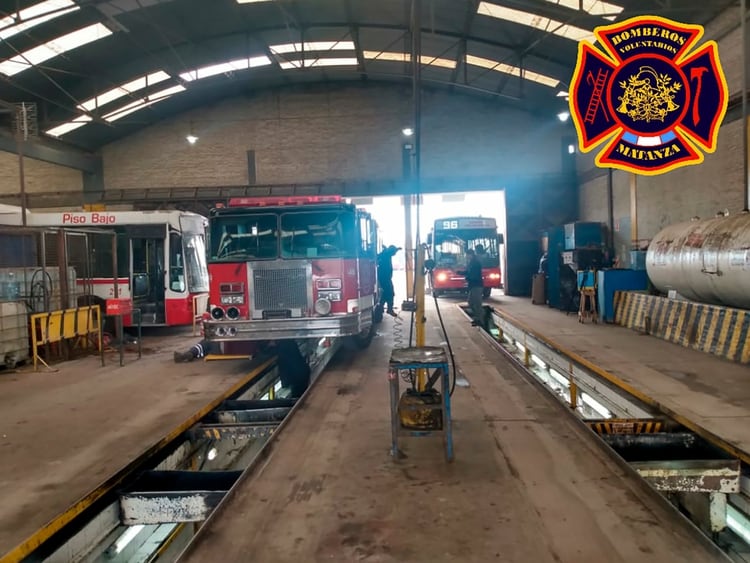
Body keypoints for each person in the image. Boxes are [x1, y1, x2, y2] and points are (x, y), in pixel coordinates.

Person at [377, 245, 401, 317]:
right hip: (384, 278)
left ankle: (381, 308)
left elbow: (390, 250)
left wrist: (397, 249)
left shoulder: (385, 254)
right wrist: (396, 249)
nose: (394, 254)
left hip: (385, 278)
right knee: (390, 293)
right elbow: (389, 251)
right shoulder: (385, 255)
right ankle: (389, 309)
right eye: (394, 252)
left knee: (385, 293)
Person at [464, 248, 484, 326]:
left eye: (467, 255)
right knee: (470, 302)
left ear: (471, 255)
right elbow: (468, 271)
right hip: (473, 286)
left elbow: (474, 275)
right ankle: (477, 318)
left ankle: (480, 321)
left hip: (477, 286)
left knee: (477, 304)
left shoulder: (476, 263)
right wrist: (459, 272)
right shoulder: (471, 263)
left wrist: (467, 278)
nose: (466, 256)